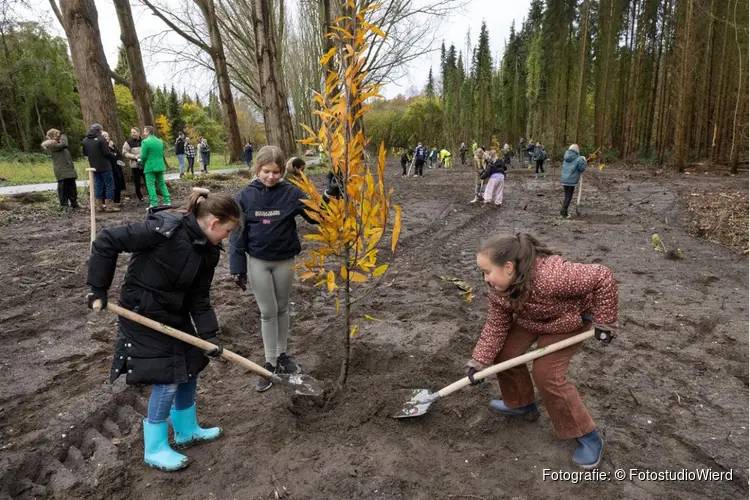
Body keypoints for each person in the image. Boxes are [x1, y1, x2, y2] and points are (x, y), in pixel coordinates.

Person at [86, 189, 241, 471]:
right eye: (227, 231)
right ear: (214, 222)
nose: (226, 238)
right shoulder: (163, 229)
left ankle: (186, 430)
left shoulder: (208, 251)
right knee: (167, 376)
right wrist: (98, 288)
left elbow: (200, 298)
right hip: (140, 313)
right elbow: (107, 241)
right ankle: (155, 448)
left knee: (191, 366)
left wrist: (209, 336)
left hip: (174, 312)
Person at [467, 232, 618, 469]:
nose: (485, 279)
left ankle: (587, 435)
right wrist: (479, 361)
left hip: (569, 322)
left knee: (547, 374)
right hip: (531, 320)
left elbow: (602, 276)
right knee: (503, 355)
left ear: (508, 267)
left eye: (487, 271)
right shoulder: (497, 289)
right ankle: (520, 403)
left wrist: (605, 321)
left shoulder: (551, 276)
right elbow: (496, 324)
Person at [228, 146, 319, 392]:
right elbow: (237, 234)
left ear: (282, 171)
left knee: (281, 308)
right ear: (257, 169)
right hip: (258, 261)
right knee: (267, 311)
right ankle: (268, 363)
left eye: (276, 172)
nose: (271, 177)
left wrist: (326, 199)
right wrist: (237, 268)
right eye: (266, 171)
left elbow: (315, 215)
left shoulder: (291, 192)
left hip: (284, 260)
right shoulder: (245, 196)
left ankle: (282, 355)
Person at [82, 123, 120, 213]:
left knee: (98, 185)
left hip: (94, 166)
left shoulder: (85, 140)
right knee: (109, 185)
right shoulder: (101, 139)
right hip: (105, 166)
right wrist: (113, 156)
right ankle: (109, 206)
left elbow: (85, 153)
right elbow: (106, 152)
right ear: (99, 130)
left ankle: (99, 206)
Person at [42, 128, 78, 209]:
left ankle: (74, 203)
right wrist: (64, 135)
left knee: (72, 188)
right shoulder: (52, 145)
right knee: (63, 189)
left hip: (68, 169)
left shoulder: (59, 145)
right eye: (58, 135)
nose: (60, 136)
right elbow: (64, 144)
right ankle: (64, 205)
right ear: (53, 136)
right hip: (61, 170)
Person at [140, 126, 171, 208]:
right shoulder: (160, 141)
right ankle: (167, 201)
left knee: (150, 185)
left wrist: (140, 161)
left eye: (144, 131)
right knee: (161, 183)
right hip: (160, 165)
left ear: (148, 132)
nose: (143, 133)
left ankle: (154, 203)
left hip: (150, 166)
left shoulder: (145, 142)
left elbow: (143, 155)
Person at [560, 144, 587, 218]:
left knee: (566, 196)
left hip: (564, 180)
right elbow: (581, 169)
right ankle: (563, 213)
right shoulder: (579, 159)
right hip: (571, 181)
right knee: (569, 197)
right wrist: (584, 161)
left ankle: (563, 212)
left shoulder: (566, 157)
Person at [102, 131, 126, 209]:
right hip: (108, 168)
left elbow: (118, 154)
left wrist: (113, 148)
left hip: (116, 168)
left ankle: (117, 200)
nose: (107, 137)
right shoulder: (102, 146)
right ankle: (107, 202)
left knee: (118, 183)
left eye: (108, 136)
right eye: (105, 136)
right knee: (108, 185)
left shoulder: (112, 145)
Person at [123, 128, 145, 202]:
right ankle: (139, 196)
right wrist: (134, 156)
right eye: (132, 132)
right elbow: (125, 152)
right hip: (135, 165)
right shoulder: (128, 142)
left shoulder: (144, 141)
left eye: (134, 132)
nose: (133, 134)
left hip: (145, 164)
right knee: (137, 182)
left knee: (148, 181)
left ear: (139, 132)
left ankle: (152, 195)